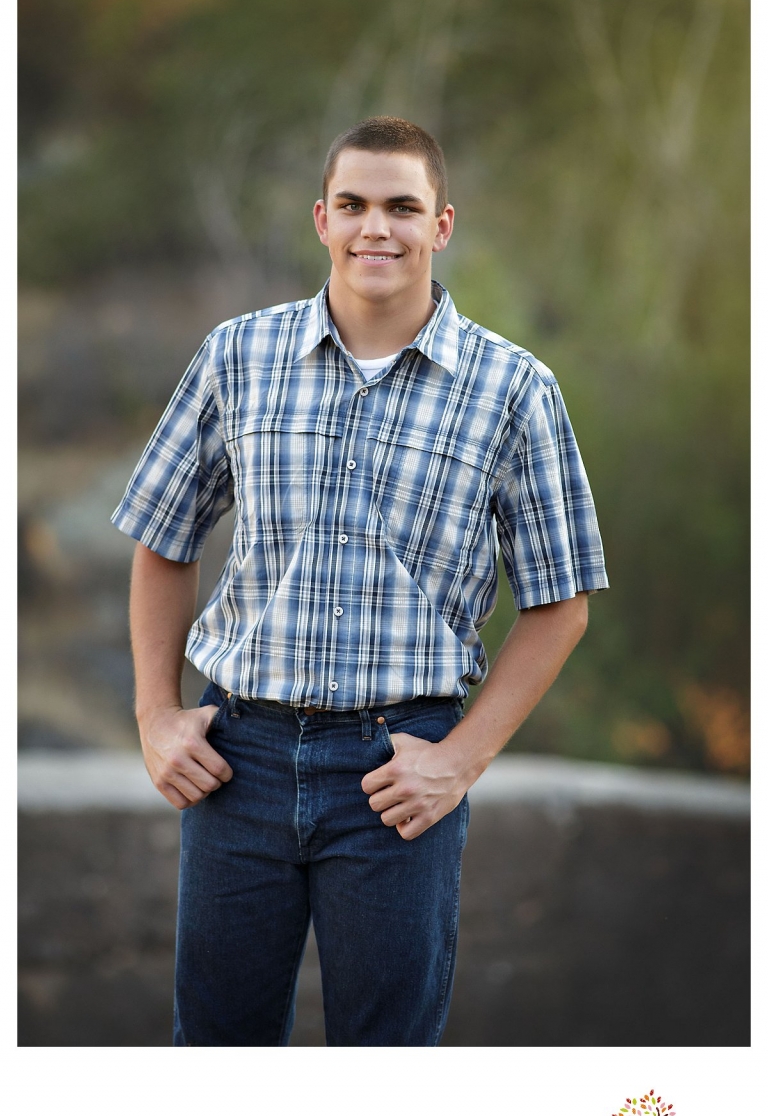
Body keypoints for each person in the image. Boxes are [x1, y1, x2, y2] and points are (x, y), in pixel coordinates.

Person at [111, 115, 609, 1047]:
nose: (376, 227)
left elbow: (561, 603)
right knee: (214, 1055)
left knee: (385, 1066)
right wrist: (154, 714)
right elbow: (163, 537)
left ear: (442, 225)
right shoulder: (238, 357)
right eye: (354, 205)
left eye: (402, 208)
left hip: (398, 775)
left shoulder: (514, 389)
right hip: (238, 762)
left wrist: (459, 761)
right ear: (323, 220)